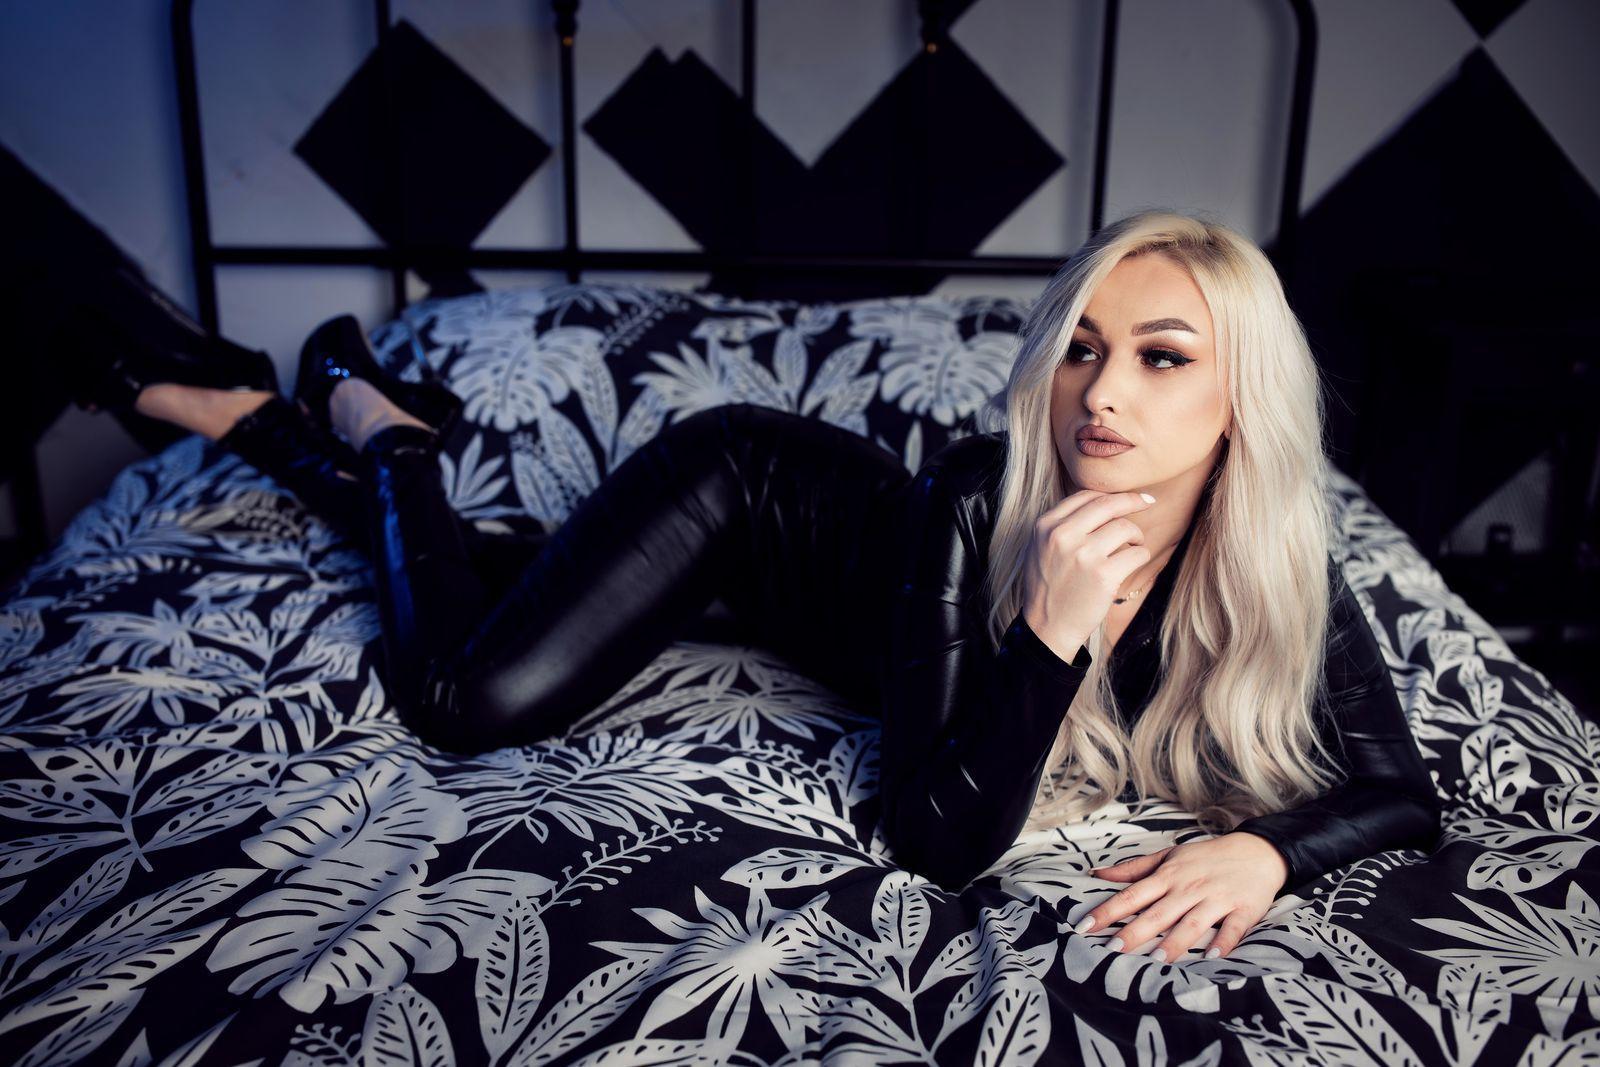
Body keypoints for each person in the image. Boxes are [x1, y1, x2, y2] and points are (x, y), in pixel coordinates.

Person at [57, 208, 1441, 966]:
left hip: (824, 582)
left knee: (489, 579)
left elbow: (1400, 791)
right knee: (468, 694)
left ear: (1242, 397)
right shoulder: (982, 499)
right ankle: (396, 439)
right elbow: (932, 839)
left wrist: (1267, 853)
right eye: (1080, 347)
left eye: (1161, 356)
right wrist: (1048, 634)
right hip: (735, 499)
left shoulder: (1272, 559)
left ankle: (280, 423)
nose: (1100, 391)